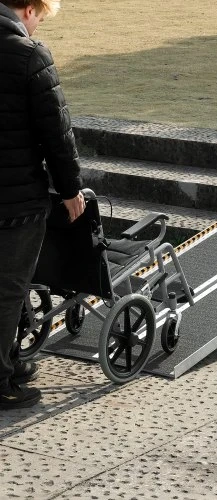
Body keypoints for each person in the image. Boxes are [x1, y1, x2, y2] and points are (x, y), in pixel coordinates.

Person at [0, 0, 85, 409]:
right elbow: (56, 132)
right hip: (16, 203)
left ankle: (11, 362)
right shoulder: (29, 54)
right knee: (8, 292)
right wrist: (71, 190)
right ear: (30, 9)